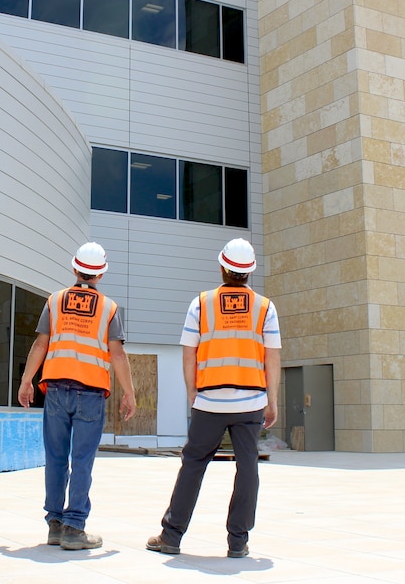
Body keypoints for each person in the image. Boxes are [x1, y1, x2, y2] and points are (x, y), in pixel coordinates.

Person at [147, 238, 281, 559]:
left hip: (209, 401)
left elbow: (189, 353)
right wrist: (272, 400)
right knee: (247, 467)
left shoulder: (201, 304)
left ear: (222, 266)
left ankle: (171, 536)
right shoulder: (265, 308)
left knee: (193, 465)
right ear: (249, 272)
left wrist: (192, 391)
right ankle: (238, 542)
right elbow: (272, 358)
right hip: (251, 402)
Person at [18, 242, 136, 550]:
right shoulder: (109, 308)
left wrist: (27, 380)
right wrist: (129, 393)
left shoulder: (55, 301)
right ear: (101, 274)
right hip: (91, 393)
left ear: (75, 269)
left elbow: (40, 345)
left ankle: (55, 525)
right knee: (82, 461)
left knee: (55, 459)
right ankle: (73, 527)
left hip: (55, 390)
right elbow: (118, 355)